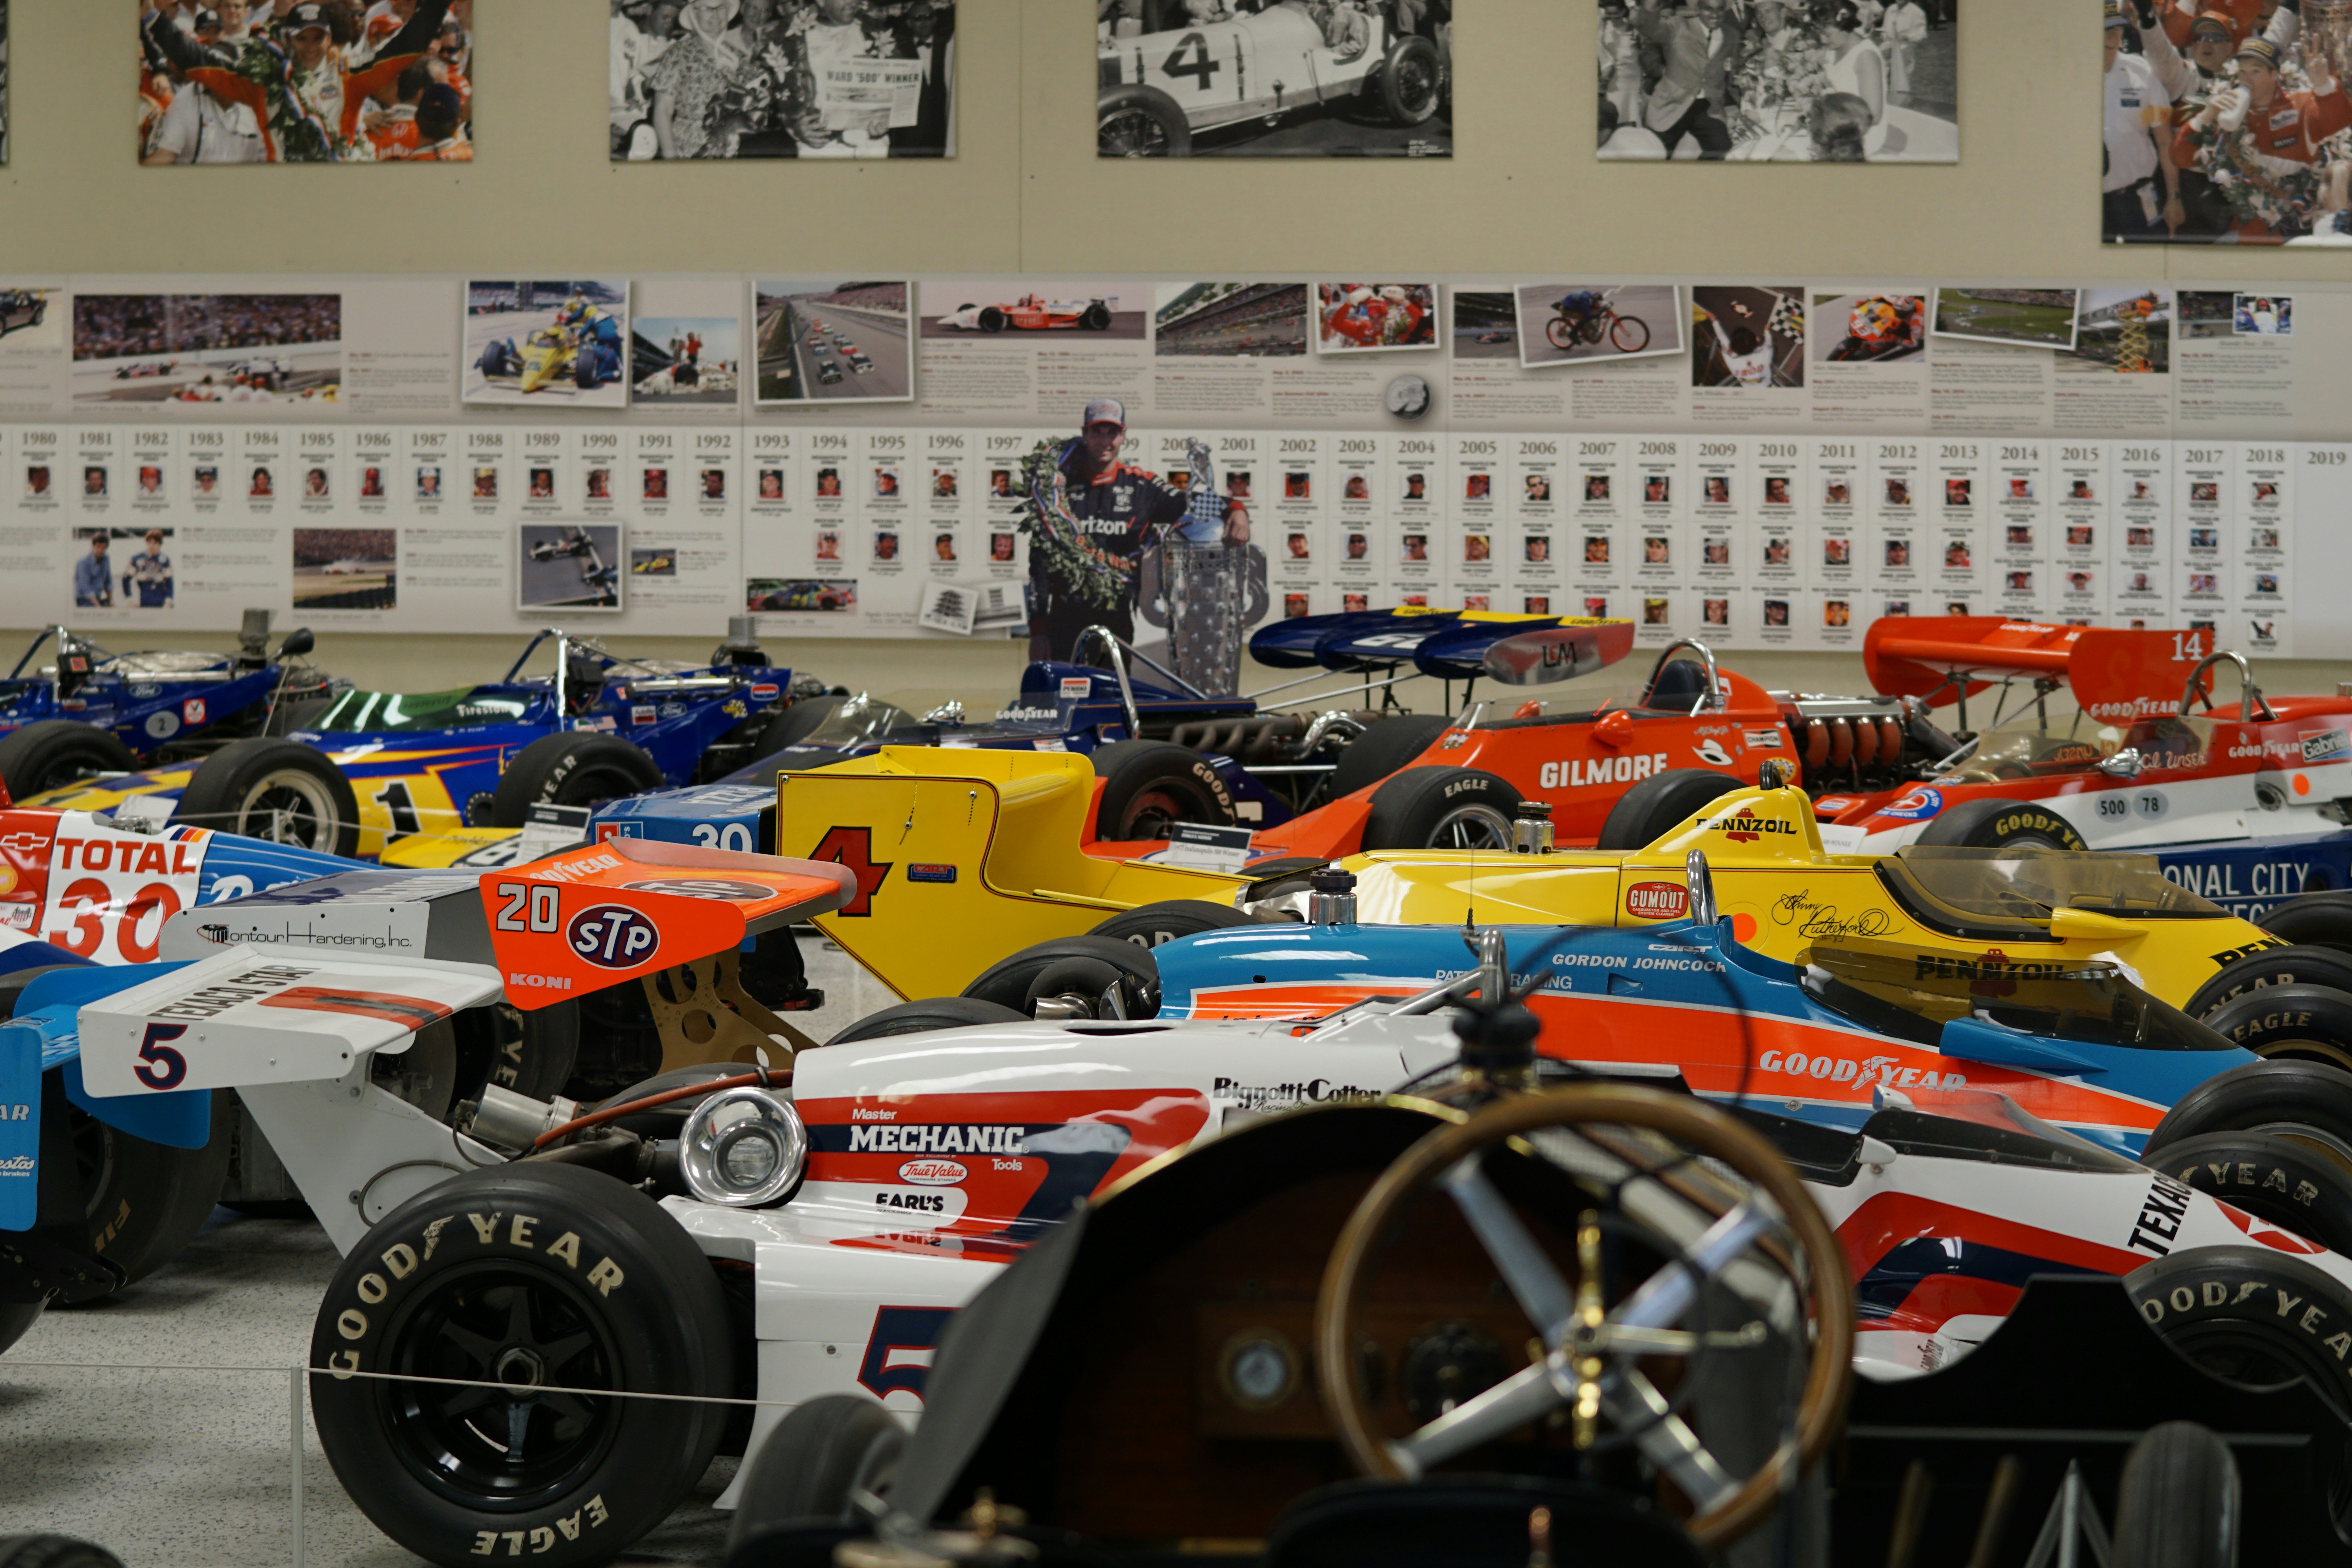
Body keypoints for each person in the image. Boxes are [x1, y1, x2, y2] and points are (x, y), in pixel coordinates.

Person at [1027, 397, 1247, 661]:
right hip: (1063, 620)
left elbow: (1189, 502)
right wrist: (1038, 632)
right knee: (1061, 697)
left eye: (1113, 432)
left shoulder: (1142, 487)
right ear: (1085, 433)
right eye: (1097, 431)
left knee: (1114, 697)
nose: (1105, 440)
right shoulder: (1055, 489)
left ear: (1123, 435)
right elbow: (1039, 560)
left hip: (1117, 617)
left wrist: (1236, 509)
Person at [2172, 35, 2352, 240]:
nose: (2247, 79)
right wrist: (2206, 116)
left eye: (2256, 71)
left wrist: (2323, 85)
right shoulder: (2226, 107)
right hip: (2253, 227)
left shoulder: (2300, 104)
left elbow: (2340, 120)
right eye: (2242, 71)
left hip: (2301, 224)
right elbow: (2180, 159)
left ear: (2275, 74)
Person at [2105, 4, 2187, 239]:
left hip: (2138, 196)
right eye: (2105, 31)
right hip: (2088, 203)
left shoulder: (2142, 74)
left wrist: (2174, 197)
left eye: (2117, 30)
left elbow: (2163, 140)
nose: (2112, 38)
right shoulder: (2074, 74)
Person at [1631, 0, 1744, 158]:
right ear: (1698, 9)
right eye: (1708, 9)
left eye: (1720, 9)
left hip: (1708, 107)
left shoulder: (1732, 34)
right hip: (1671, 104)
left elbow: (1733, 71)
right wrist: (1650, 4)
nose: (1715, 15)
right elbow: (1646, 26)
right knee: (1656, 154)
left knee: (1722, 147)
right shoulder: (1677, 26)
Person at [125, 530, 174, 608]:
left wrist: (168, 601)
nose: (151, 546)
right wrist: (129, 599)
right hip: (144, 600)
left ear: (160, 544)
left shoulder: (165, 560)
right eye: (149, 543)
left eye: (155, 543)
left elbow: (169, 582)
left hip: (160, 601)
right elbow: (126, 579)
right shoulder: (137, 559)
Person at [74, 535, 114, 608]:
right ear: (93, 546)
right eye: (98, 547)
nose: (100, 550)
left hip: (98, 598)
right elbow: (86, 589)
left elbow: (108, 582)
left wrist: (111, 602)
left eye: (103, 548)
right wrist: (98, 607)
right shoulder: (84, 563)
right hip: (84, 600)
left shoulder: (106, 558)